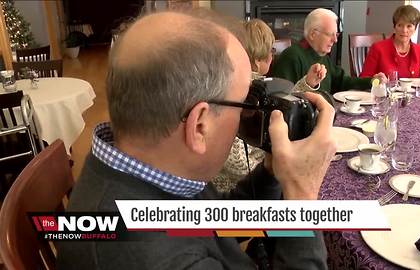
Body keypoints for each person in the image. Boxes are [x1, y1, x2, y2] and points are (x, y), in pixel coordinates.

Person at [57, 9, 336, 270]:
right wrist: (302, 200)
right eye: (243, 103)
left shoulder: (148, 163)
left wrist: (270, 172)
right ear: (199, 126)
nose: (249, 117)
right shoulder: (155, 257)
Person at [213, 18, 326, 192]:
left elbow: (285, 104)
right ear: (259, 60)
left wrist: (307, 84)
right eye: (271, 51)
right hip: (236, 192)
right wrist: (276, 154)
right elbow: (240, 166)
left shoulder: (261, 87)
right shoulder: (240, 95)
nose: (272, 57)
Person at [271, 8, 386, 95]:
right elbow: (283, 100)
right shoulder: (292, 57)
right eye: (330, 34)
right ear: (312, 34)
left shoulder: (321, 55)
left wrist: (372, 81)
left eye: (336, 34)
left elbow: (342, 82)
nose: (335, 40)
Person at [360, 5, 420, 79]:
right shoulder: (378, 48)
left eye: (409, 26)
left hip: (411, 98)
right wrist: (377, 80)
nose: (404, 30)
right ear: (394, 27)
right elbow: (364, 78)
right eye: (400, 25)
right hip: (385, 97)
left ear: (415, 28)